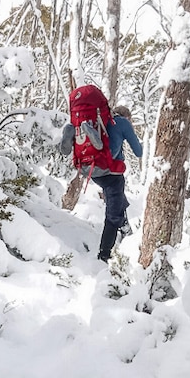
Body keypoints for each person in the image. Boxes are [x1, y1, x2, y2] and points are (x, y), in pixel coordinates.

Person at [60, 102, 142, 262]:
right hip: (111, 173)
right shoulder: (123, 123)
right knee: (113, 213)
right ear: (127, 117)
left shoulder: (101, 122)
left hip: (92, 169)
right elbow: (138, 151)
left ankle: (125, 229)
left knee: (117, 201)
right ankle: (104, 255)